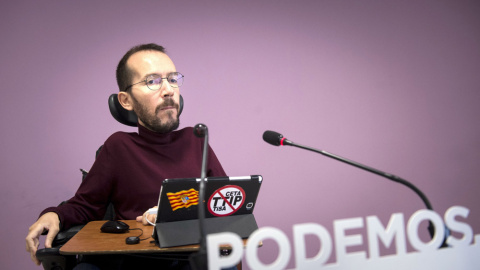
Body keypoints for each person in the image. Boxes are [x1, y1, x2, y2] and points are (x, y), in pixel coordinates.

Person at [25, 43, 228, 269]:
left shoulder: (196, 140)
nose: (169, 90)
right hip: (135, 260)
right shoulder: (118, 146)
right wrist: (54, 215)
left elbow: (228, 203)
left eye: (172, 79)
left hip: (188, 259)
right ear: (125, 100)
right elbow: (85, 206)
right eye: (152, 81)